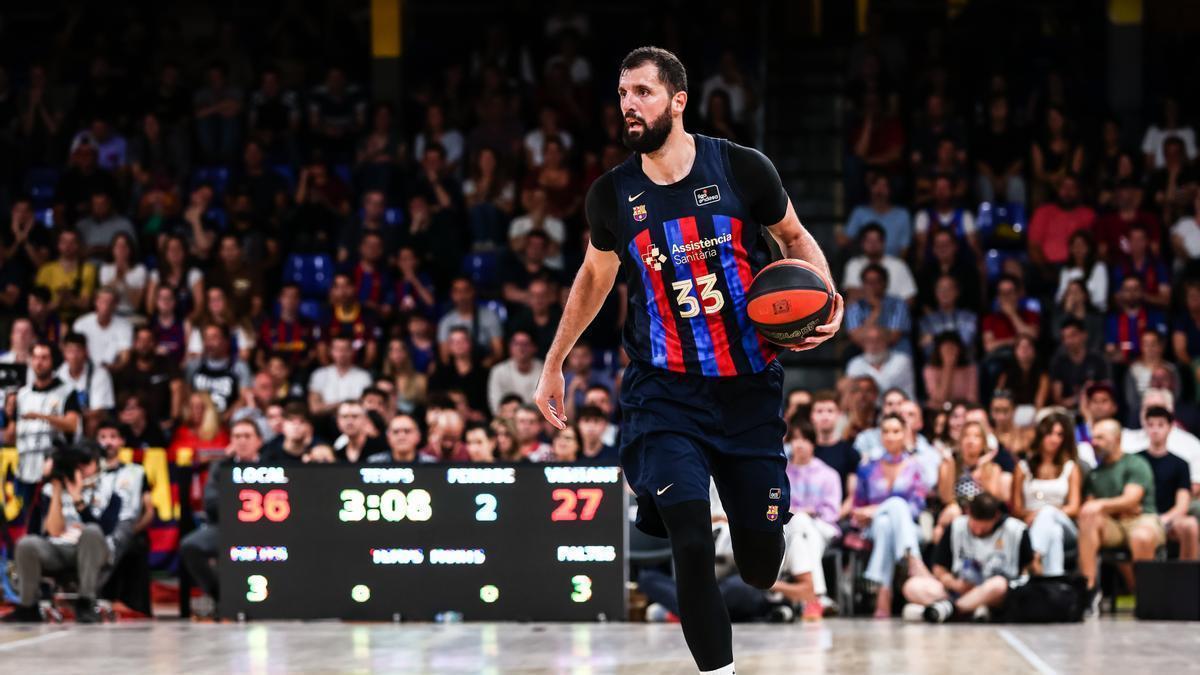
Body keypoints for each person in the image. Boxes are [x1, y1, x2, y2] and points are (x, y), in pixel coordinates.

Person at [533, 47, 842, 675]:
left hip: (749, 387)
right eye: (622, 94)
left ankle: (681, 499)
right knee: (692, 543)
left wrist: (827, 298)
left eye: (643, 92)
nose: (628, 105)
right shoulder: (612, 195)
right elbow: (594, 278)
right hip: (664, 391)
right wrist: (554, 361)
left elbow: (794, 238)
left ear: (677, 100)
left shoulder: (742, 170)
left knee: (760, 565)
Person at [3, 443, 133, 624]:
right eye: (76, 465)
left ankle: (86, 602)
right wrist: (57, 490)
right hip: (59, 550)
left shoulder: (110, 491)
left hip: (94, 551)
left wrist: (78, 500)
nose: (80, 470)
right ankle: (28, 607)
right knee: (27, 543)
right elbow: (54, 532)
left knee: (91, 531)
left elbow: (105, 530)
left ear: (97, 464)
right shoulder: (50, 491)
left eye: (86, 464)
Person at [902, 493, 1033, 623]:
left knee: (998, 585)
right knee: (912, 586)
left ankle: (950, 610)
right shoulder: (956, 526)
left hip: (993, 595)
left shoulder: (1016, 531)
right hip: (956, 591)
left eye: (984, 527)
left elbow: (1027, 572)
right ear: (968, 513)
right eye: (975, 526)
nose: (978, 531)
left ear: (996, 517)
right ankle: (969, 610)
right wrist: (954, 584)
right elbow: (939, 567)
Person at [1077, 419, 1165, 609]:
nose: (1094, 442)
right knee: (1088, 516)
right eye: (1093, 438)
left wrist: (1104, 505)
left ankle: (1146, 598)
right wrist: (1116, 507)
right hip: (1113, 524)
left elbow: (1132, 500)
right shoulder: (1094, 474)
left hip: (1141, 520)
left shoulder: (1135, 463)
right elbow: (1092, 506)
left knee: (1141, 537)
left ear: (1117, 438)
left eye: (1100, 437)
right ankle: (1089, 591)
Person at [178, 419, 262, 609]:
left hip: (267, 528)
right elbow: (211, 503)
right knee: (190, 546)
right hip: (227, 527)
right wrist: (240, 510)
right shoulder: (221, 467)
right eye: (237, 436)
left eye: (247, 436)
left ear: (259, 441)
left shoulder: (272, 464)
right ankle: (221, 596)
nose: (242, 441)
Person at [851, 414, 928, 618]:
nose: (890, 436)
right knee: (886, 519)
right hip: (871, 529)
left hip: (910, 528)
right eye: (886, 431)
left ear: (905, 434)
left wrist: (879, 509)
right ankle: (912, 559)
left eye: (896, 431)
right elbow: (857, 507)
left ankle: (883, 594)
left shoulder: (915, 467)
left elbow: (917, 507)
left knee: (891, 516)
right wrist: (866, 514)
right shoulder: (867, 467)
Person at [776, 418, 841, 620]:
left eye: (805, 439)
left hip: (823, 526)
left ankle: (814, 596)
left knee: (803, 523)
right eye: (795, 439)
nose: (799, 444)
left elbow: (833, 512)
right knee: (801, 528)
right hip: (791, 528)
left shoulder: (828, 474)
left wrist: (809, 512)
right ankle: (818, 598)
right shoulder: (781, 473)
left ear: (813, 444)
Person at [4, 342, 81, 491]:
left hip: (54, 469)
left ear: (53, 361)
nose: (39, 362)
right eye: (35, 357)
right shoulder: (22, 394)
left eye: (44, 358)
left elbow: (72, 425)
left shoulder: (67, 391)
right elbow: (9, 437)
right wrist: (9, 414)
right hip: (24, 469)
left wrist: (40, 416)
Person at [1012, 414, 1082, 575]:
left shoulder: (1070, 468)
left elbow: (1074, 507)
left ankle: (1032, 558)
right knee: (1053, 532)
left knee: (1049, 514)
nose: (1054, 439)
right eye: (1050, 434)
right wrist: (1035, 515)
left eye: (1060, 435)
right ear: (1041, 435)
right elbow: (1016, 509)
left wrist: (1043, 513)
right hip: (1030, 524)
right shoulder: (1023, 468)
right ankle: (1054, 581)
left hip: (1066, 524)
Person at [1138, 406, 1199, 560]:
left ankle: (1187, 579)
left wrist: (1164, 519)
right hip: (1141, 517)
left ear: (1170, 427)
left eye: (1160, 425)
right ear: (1145, 427)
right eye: (1150, 425)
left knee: (1190, 525)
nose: (1155, 430)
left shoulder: (1180, 464)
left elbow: (1182, 505)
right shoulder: (1136, 461)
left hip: (1169, 519)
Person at [935, 421, 1007, 542]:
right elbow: (946, 498)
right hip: (957, 512)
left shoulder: (993, 469)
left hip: (982, 514)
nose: (970, 440)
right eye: (966, 436)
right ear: (960, 441)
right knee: (951, 514)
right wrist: (951, 465)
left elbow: (992, 500)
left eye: (976, 436)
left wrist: (980, 469)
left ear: (983, 442)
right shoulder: (948, 465)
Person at [810, 392, 859, 519]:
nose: (825, 416)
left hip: (837, 519)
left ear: (839, 415)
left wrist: (835, 517)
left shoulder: (850, 452)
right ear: (812, 416)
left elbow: (852, 495)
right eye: (819, 411)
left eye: (830, 411)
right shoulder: (804, 450)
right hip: (805, 517)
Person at [839, 172, 911, 257]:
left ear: (890, 190)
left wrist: (896, 266)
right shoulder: (860, 212)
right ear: (870, 188)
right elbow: (845, 240)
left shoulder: (902, 215)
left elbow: (905, 248)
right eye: (876, 185)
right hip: (864, 264)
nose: (880, 190)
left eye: (884, 186)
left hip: (892, 263)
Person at [56, 332, 114, 435]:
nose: (74, 356)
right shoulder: (58, 374)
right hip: (64, 419)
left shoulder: (99, 374)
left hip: (88, 419)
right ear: (64, 353)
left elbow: (98, 411)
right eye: (69, 351)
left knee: (93, 422)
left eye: (78, 351)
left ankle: (89, 449)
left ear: (85, 352)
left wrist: (74, 418)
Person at [1050, 318, 1110, 409]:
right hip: (1068, 411)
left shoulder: (1098, 360)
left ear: (1084, 335)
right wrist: (1079, 398)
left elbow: (1106, 392)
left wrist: (1092, 390)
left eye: (1073, 335)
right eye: (1065, 337)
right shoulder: (1059, 362)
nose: (1069, 341)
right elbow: (1057, 400)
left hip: (1095, 409)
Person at [308, 336, 373, 417]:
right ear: (330, 351)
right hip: (325, 421)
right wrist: (347, 403)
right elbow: (315, 408)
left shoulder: (364, 376)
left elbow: (366, 405)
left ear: (352, 351)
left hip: (355, 419)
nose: (342, 353)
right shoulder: (319, 374)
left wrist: (328, 406)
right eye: (337, 349)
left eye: (346, 349)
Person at [844, 325, 914, 399]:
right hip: (868, 408)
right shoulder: (855, 364)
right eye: (869, 341)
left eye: (878, 340)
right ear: (863, 343)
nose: (874, 345)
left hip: (899, 407)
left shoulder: (902, 361)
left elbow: (885, 386)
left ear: (887, 341)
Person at [71, 286, 132, 367]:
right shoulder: (81, 324)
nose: (106, 305)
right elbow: (74, 351)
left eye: (109, 302)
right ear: (96, 302)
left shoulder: (125, 326)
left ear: (115, 305)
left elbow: (124, 357)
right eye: (102, 301)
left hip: (113, 371)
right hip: (84, 368)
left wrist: (109, 369)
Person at [486, 331, 543, 414]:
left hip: (536, 420)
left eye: (525, 344)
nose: (521, 348)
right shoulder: (498, 371)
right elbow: (495, 406)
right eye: (516, 344)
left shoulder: (545, 371)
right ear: (510, 347)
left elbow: (547, 404)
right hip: (506, 420)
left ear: (534, 347)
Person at [923, 331, 977, 408]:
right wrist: (948, 366)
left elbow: (972, 400)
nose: (950, 351)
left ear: (960, 349)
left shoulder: (970, 369)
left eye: (953, 347)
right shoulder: (930, 370)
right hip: (939, 410)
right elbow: (940, 398)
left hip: (963, 410)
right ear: (938, 350)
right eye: (946, 348)